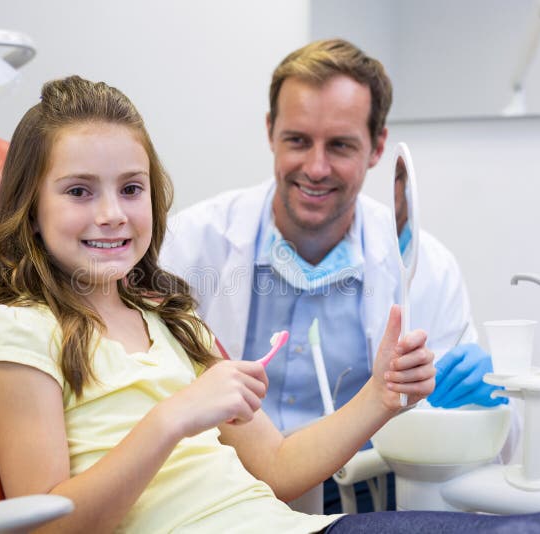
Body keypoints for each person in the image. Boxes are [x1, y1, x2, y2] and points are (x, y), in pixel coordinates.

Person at [0, 76, 540, 533]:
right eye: (79, 190)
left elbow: (279, 468)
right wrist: (173, 417)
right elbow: (43, 526)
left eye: (131, 188)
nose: (111, 214)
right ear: (32, 204)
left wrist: (381, 393)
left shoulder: (170, 319)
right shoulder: (22, 329)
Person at [159, 39, 512, 510]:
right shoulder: (189, 246)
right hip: (219, 504)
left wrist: (488, 402)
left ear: (377, 146)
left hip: (366, 504)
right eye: (298, 140)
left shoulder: (425, 267)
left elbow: (472, 448)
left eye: (341, 145)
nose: (316, 167)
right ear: (270, 132)